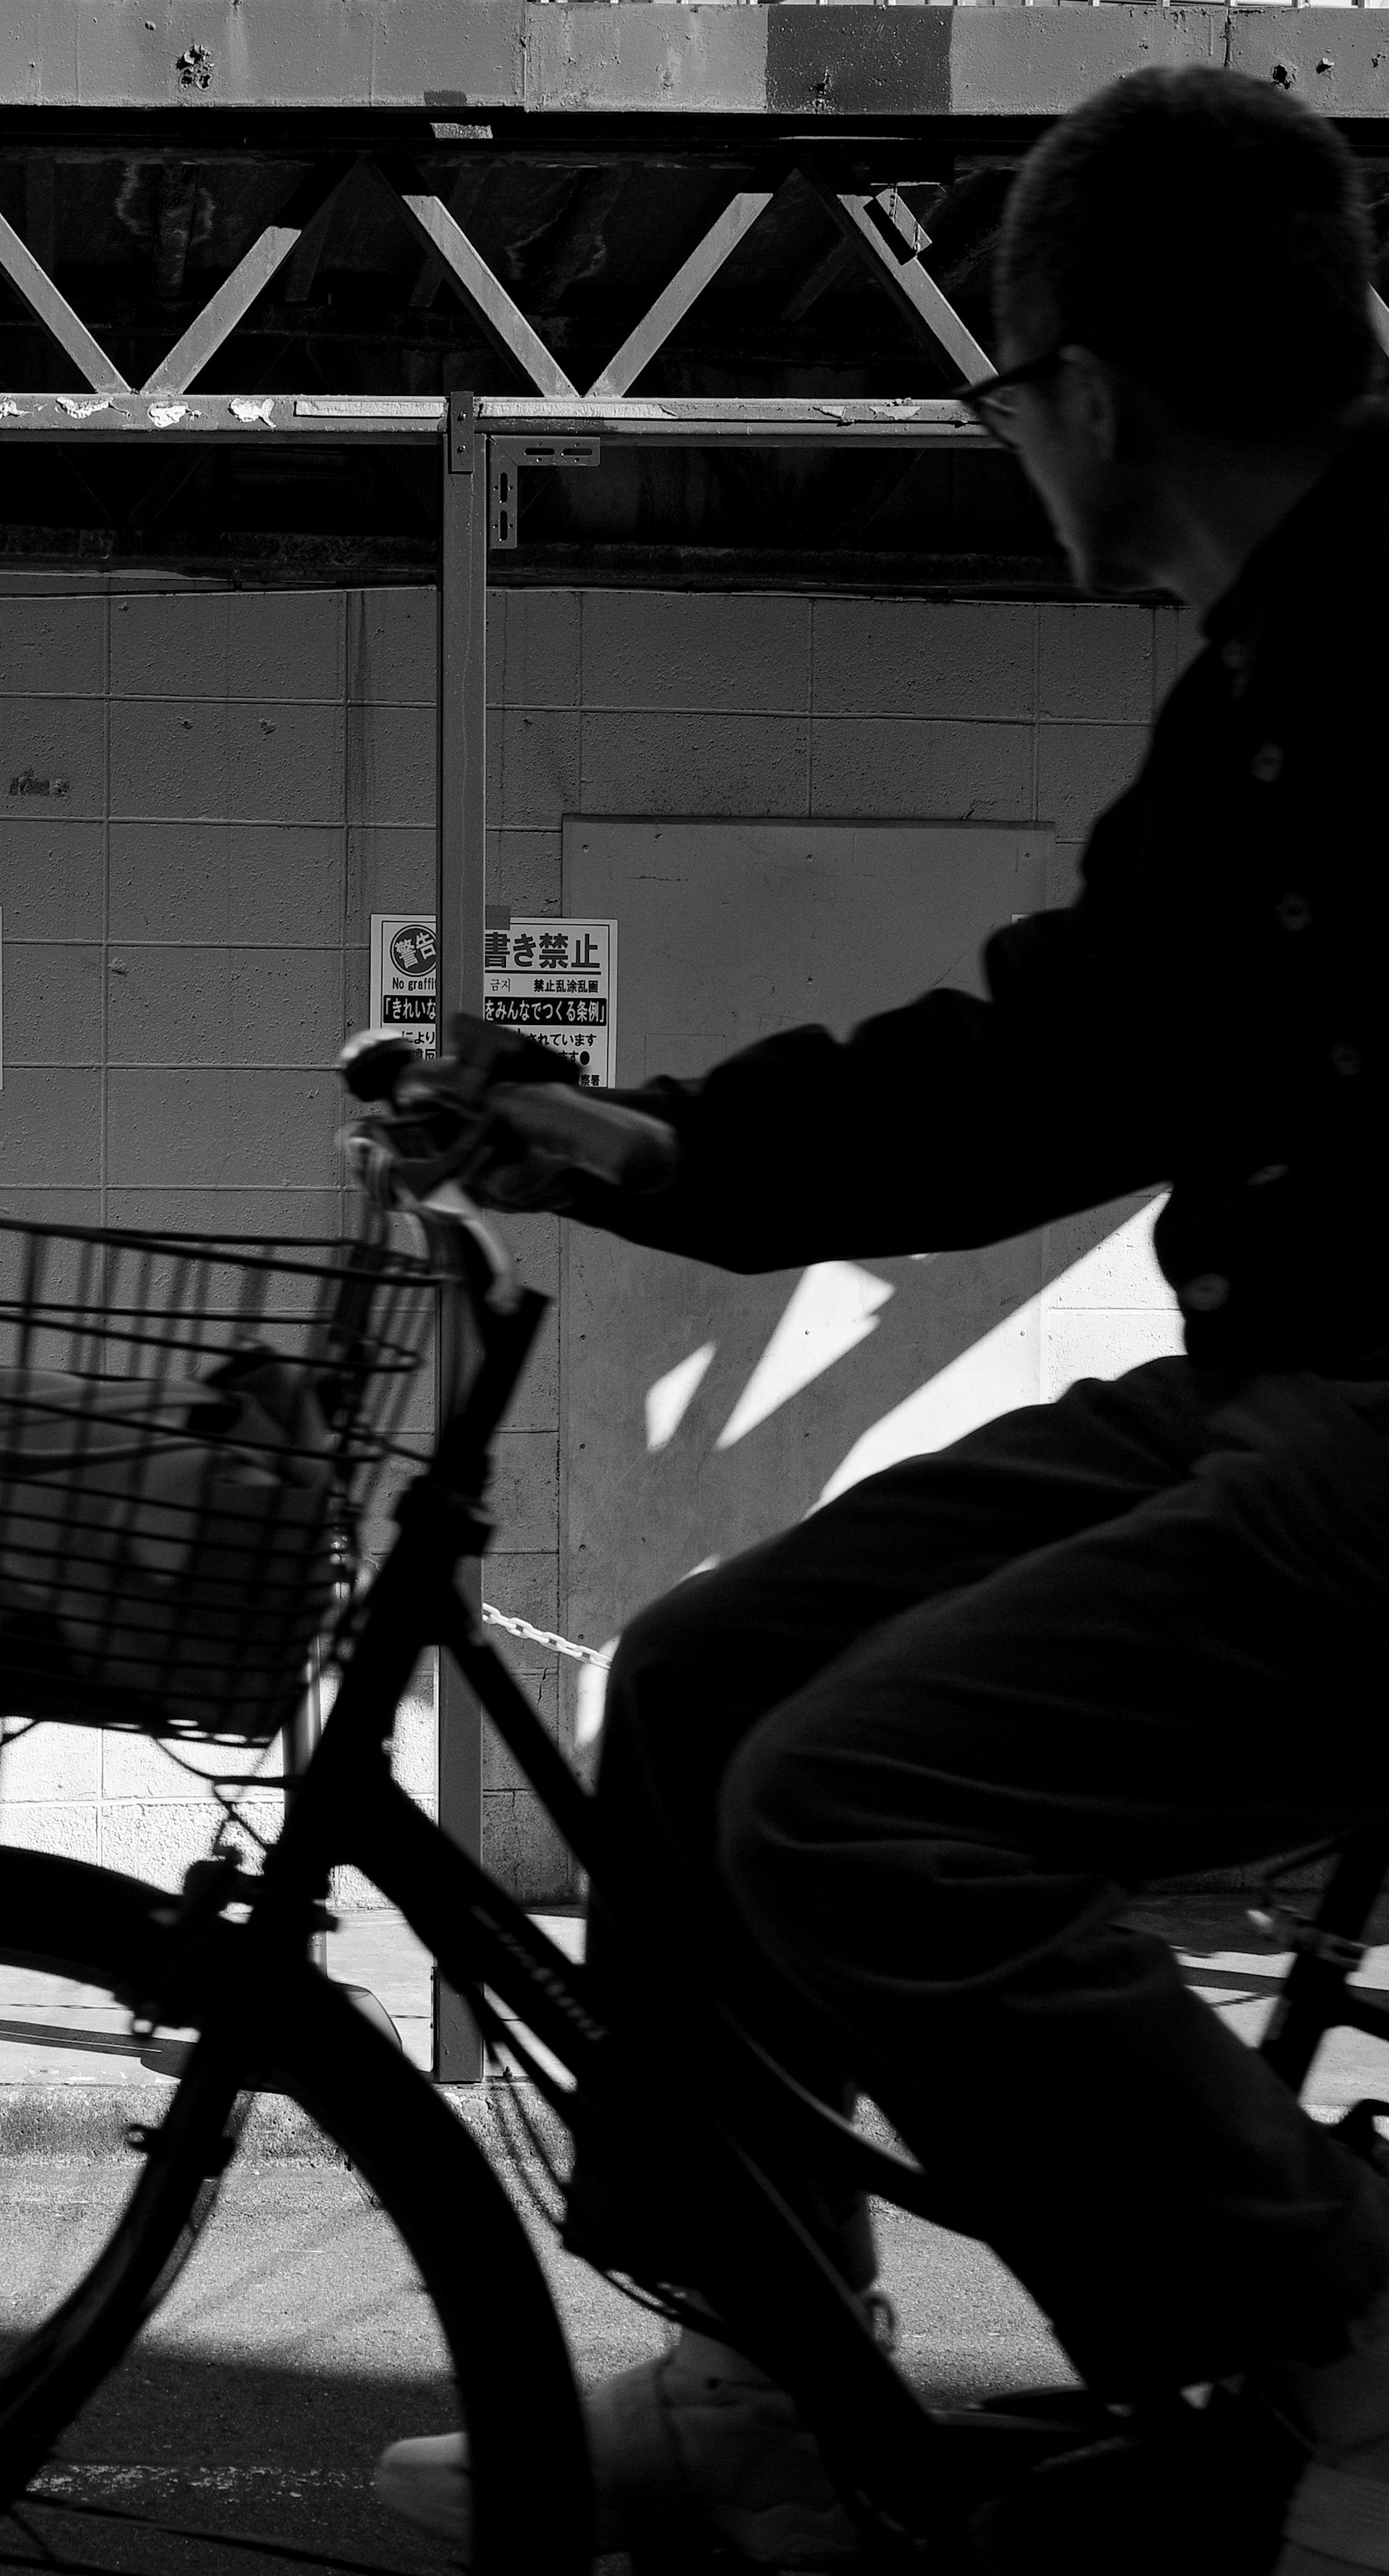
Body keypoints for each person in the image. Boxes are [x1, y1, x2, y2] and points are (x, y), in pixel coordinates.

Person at [370, 64, 1389, 2576]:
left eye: (1002, 394)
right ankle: (770, 2376)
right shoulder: (1270, 675)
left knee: (858, 1802)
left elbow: (1076, 1061)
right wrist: (656, 1145)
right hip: (1277, 1384)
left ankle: (1362, 2339)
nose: (1012, 443)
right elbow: (1065, 1060)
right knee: (702, 1679)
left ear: (1091, 394)